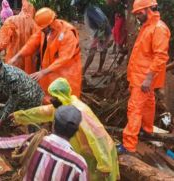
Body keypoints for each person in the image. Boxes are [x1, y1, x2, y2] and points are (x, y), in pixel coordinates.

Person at [10, 78, 120, 180]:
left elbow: (98, 139)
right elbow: (41, 112)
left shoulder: (80, 112)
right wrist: (19, 116)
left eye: (54, 97)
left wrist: (105, 165)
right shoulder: (63, 106)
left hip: (100, 154)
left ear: (62, 95)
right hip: (86, 153)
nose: (51, 99)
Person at [118, 0, 170, 154]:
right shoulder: (148, 27)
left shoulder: (159, 28)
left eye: (139, 13)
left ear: (149, 9)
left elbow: (161, 56)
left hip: (144, 77)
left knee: (134, 108)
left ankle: (129, 145)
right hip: (140, 75)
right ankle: (147, 130)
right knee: (148, 104)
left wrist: (148, 79)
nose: (137, 16)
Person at [0, 105, 88, 181]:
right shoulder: (79, 165)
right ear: (75, 132)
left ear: (53, 124)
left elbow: (2, 143)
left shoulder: (33, 141)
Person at [9, 8, 82, 101]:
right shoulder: (45, 30)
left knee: (65, 97)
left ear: (50, 24)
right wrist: (18, 55)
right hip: (49, 70)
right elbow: (32, 42)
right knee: (48, 94)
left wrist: (43, 72)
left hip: (67, 72)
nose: (41, 31)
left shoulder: (67, 34)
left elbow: (64, 58)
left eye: (43, 29)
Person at [0, 53, 43, 128]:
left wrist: (2, 120)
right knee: (1, 117)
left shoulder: (12, 78)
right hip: (18, 96)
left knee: (30, 122)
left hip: (32, 97)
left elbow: (12, 102)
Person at [0, 0, 37, 74]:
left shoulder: (11, 20)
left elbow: (4, 42)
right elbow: (38, 45)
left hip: (13, 59)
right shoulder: (34, 24)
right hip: (29, 64)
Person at [81, 5, 112, 76]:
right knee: (103, 50)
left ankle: (83, 72)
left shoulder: (90, 10)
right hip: (105, 31)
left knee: (92, 50)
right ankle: (99, 71)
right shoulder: (94, 8)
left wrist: (100, 37)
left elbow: (102, 22)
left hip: (102, 31)